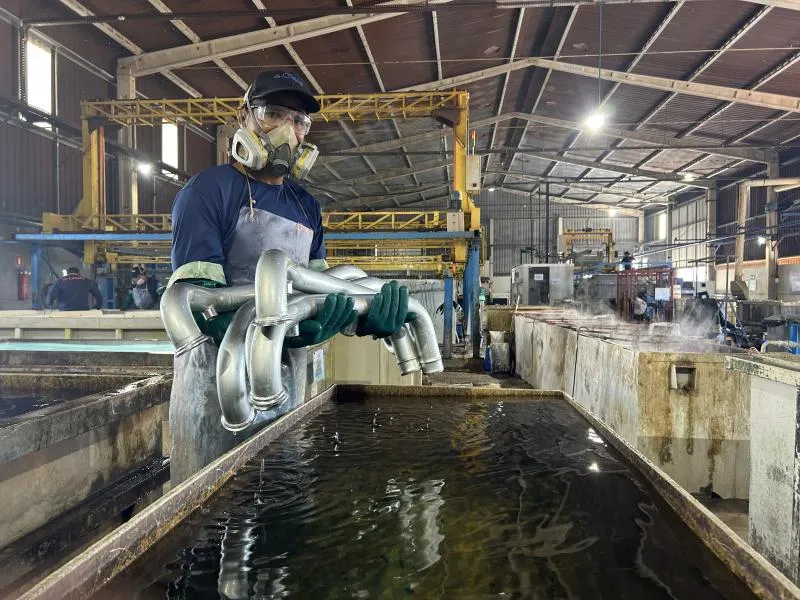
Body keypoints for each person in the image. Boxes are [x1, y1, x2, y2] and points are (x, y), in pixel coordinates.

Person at [167, 70, 411, 484]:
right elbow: (196, 304)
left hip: (289, 391)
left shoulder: (306, 206)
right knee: (213, 510)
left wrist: (363, 318)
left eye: (299, 121)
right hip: (217, 395)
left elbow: (321, 293)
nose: (287, 130)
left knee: (282, 499)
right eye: (273, 113)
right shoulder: (209, 191)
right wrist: (283, 328)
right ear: (244, 116)